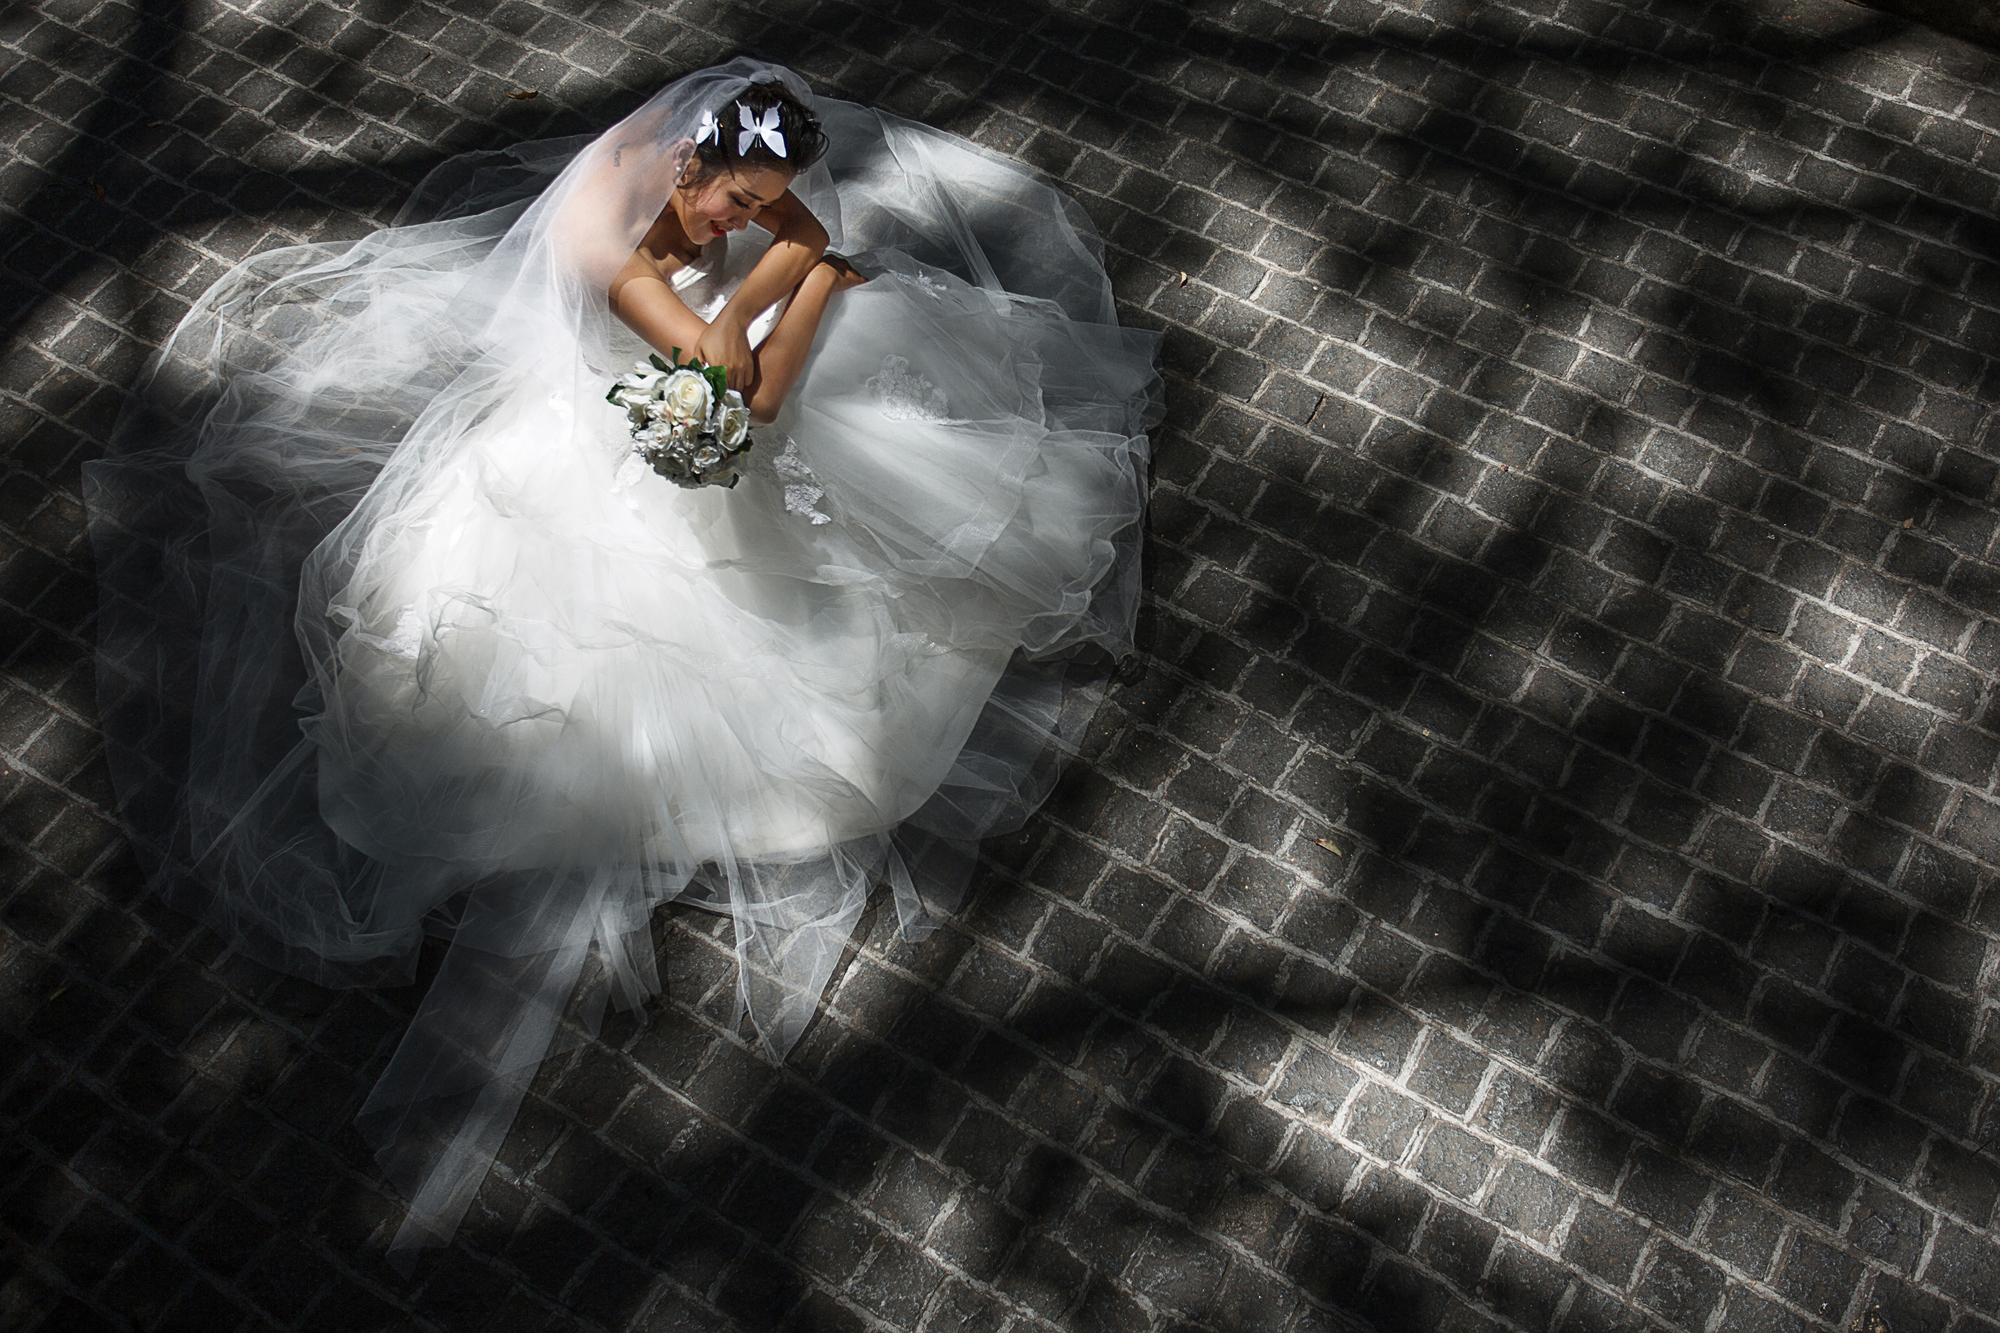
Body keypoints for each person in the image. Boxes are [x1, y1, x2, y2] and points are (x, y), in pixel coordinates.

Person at [85, 58, 1161, 1261]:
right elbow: (745, 399)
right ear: (692, 168)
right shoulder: (618, 260)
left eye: (760, 202)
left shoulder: (690, 146)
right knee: (791, 478)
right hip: (638, 423)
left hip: (689, 372)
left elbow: (792, 236)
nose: (747, 221)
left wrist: (771, 266)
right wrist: (802, 286)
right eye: (734, 204)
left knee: (888, 399)